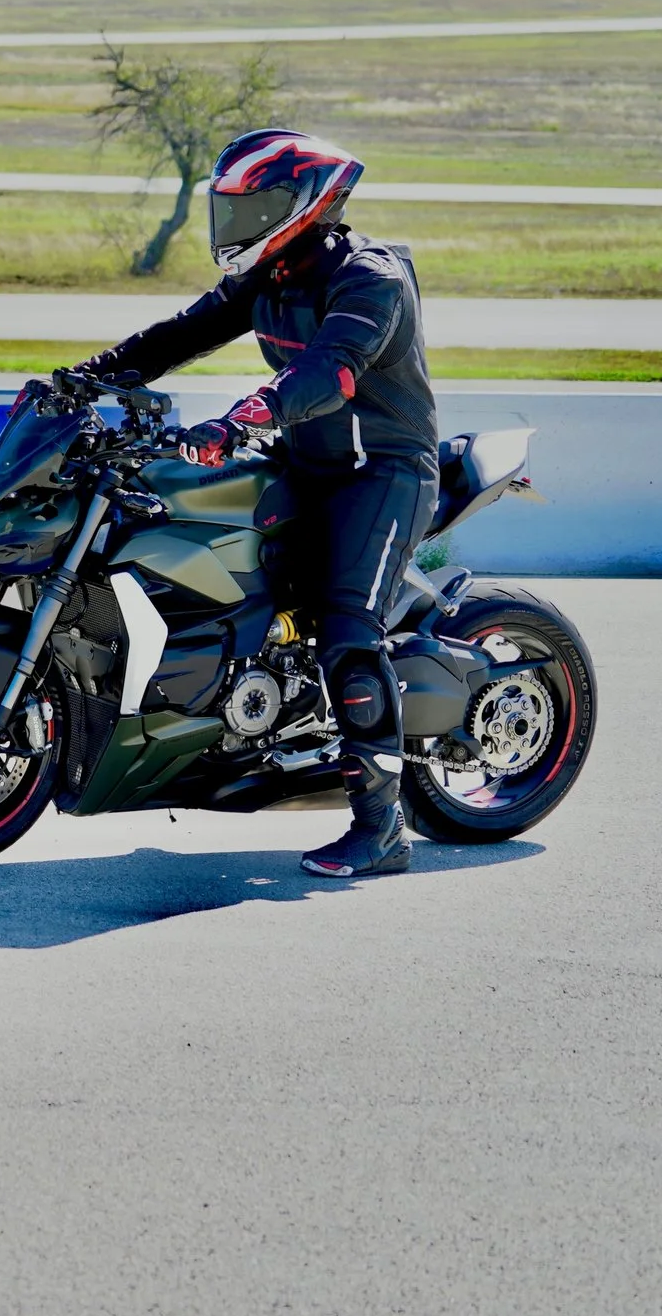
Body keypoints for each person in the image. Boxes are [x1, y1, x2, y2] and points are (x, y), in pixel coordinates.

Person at [76, 129, 437, 878]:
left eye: (253, 207)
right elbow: (183, 333)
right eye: (230, 208)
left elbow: (329, 373)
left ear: (301, 206)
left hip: (382, 473)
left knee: (346, 627)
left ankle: (382, 828)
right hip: (303, 460)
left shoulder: (371, 279)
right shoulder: (270, 274)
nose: (234, 225)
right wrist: (86, 377)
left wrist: (243, 416)